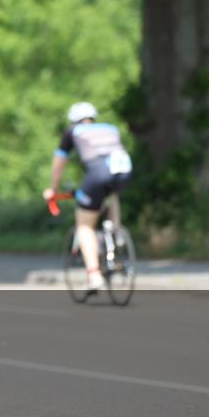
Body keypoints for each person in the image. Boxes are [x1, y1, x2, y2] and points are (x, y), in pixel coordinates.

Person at [43, 102, 132, 293]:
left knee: (84, 226)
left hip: (98, 173)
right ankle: (116, 235)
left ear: (73, 121)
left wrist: (53, 189)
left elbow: (59, 162)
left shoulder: (73, 131)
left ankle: (94, 275)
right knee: (112, 192)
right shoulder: (110, 128)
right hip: (124, 169)